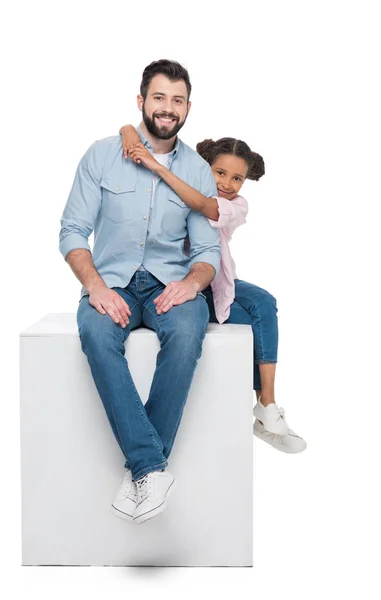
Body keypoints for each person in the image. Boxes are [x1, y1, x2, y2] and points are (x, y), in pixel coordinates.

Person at [59, 59, 221, 525]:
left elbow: (207, 249)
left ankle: (142, 469)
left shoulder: (197, 170)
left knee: (190, 331)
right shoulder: (102, 155)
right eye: (158, 97)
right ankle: (152, 467)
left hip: (170, 282)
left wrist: (192, 283)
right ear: (141, 101)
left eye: (177, 100)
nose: (167, 109)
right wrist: (93, 286)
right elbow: (73, 230)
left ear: (188, 107)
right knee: (94, 329)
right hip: (113, 281)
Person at [119, 126, 307, 454]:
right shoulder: (185, 177)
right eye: (220, 172)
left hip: (214, 280)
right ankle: (264, 406)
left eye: (237, 178)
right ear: (206, 165)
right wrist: (126, 132)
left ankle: (268, 404)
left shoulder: (236, 206)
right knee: (252, 323)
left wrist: (159, 168)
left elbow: (204, 206)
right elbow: (133, 133)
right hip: (175, 283)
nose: (227, 184)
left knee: (264, 303)